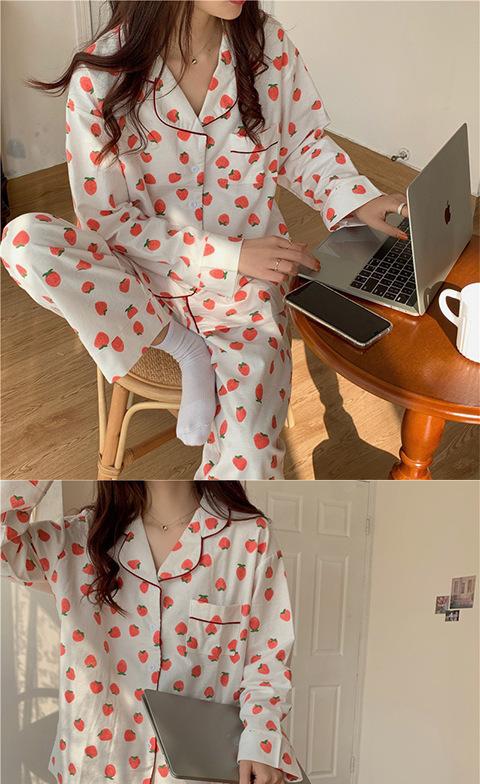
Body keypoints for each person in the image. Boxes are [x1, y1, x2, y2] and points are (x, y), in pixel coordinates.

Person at [0, 0, 409, 479]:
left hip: (243, 297)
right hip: (141, 285)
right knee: (23, 243)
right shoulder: (101, 76)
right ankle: (182, 347)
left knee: (250, 463)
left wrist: (355, 198)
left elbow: (300, 144)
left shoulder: (265, 45)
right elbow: (106, 220)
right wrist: (229, 255)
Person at [0, 479, 302, 784]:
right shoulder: (79, 539)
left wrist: (262, 737)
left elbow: (268, 651)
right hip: (112, 767)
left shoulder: (247, 537)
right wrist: (40, 473)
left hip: (205, 778)